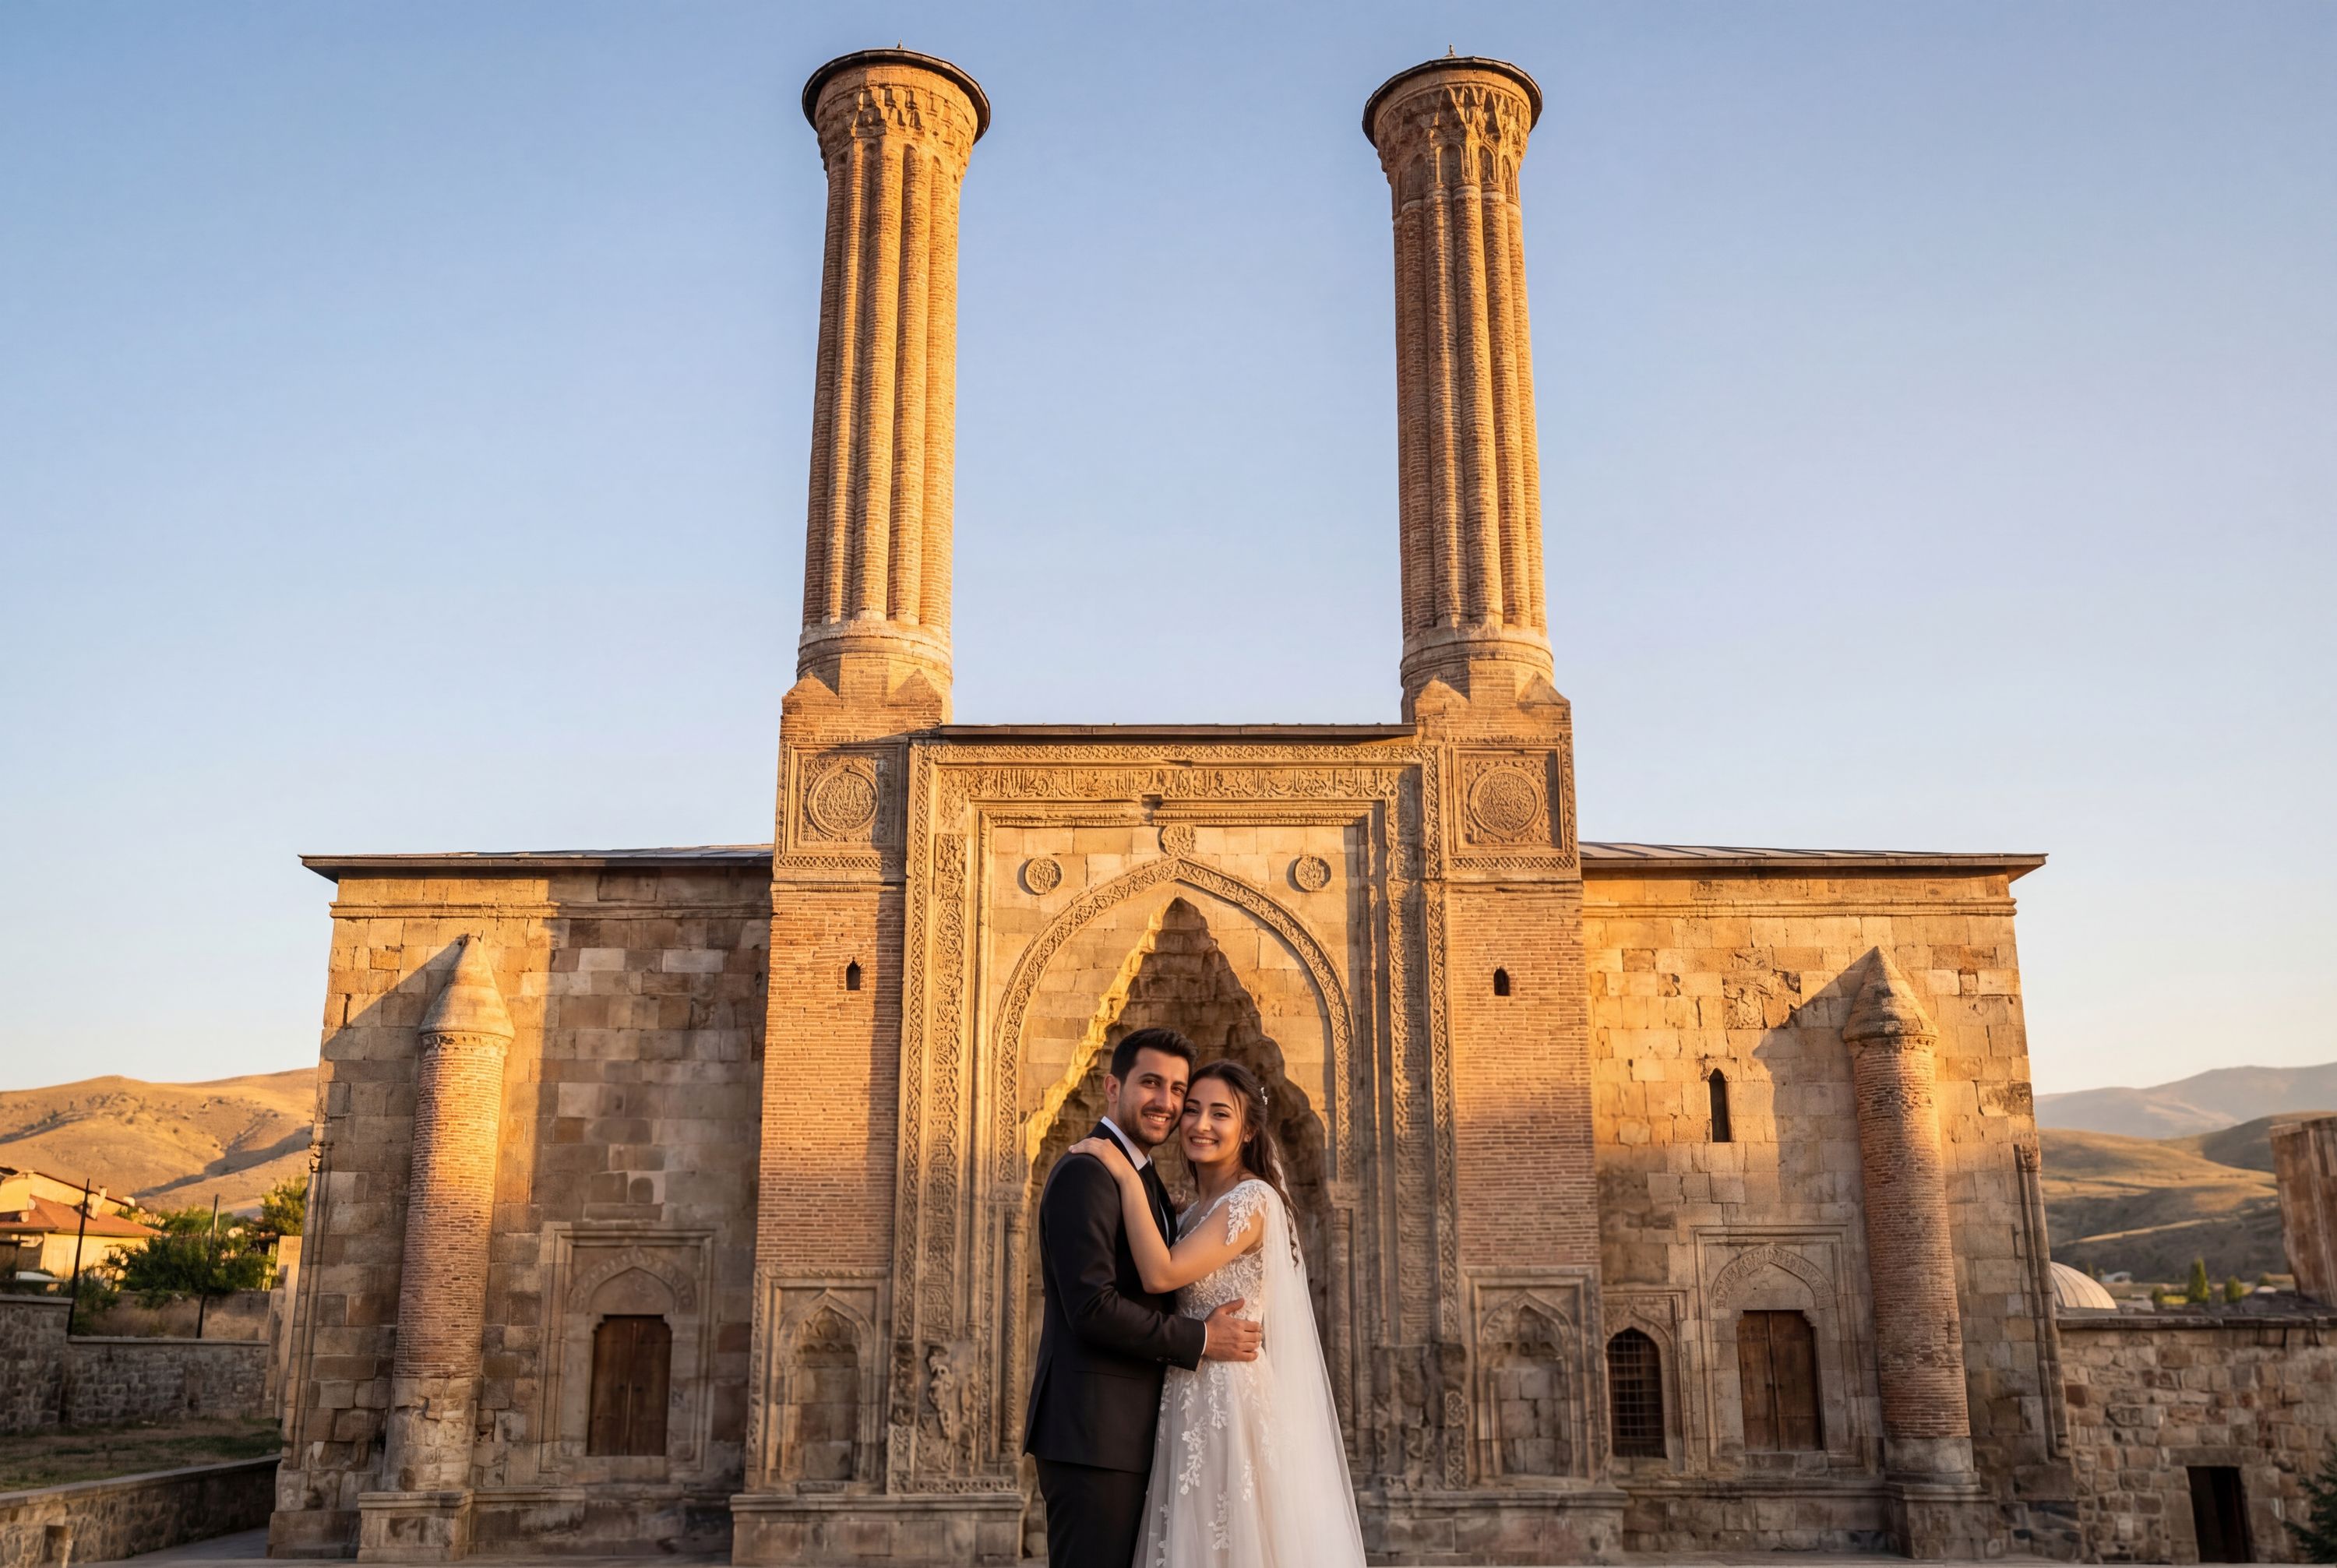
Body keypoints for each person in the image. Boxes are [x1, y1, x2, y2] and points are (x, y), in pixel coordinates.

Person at [1070, 1059, 1368, 1568]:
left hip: (1230, 1398)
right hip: (1185, 1395)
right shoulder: (1191, 1211)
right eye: (1192, 1110)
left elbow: (1161, 1275)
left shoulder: (1252, 1201)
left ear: (1248, 1128)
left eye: (1220, 1113)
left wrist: (1121, 1168)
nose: (1200, 1124)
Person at [1026, 1028, 1264, 1568]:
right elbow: (1091, 1308)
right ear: (1113, 1087)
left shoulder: (1145, 1180)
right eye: (1151, 1083)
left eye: (1178, 1089)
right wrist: (1202, 1337)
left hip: (1138, 1434)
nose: (1167, 1101)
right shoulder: (1090, 1171)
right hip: (1094, 1437)